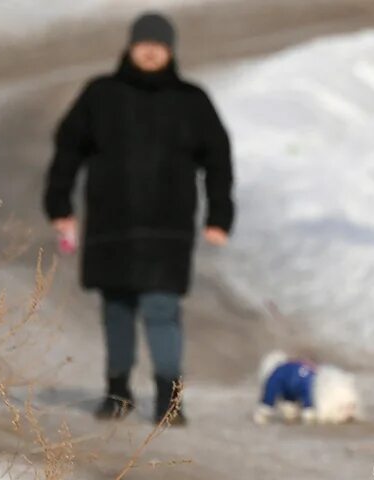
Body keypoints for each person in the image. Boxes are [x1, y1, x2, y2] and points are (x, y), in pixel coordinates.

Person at [43, 12, 233, 426]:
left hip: (169, 228)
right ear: (130, 46)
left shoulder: (192, 100)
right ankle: (117, 392)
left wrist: (220, 213)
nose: (150, 50)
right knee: (117, 309)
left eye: (158, 44)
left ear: (170, 50)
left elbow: (218, 158)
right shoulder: (101, 95)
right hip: (113, 225)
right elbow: (68, 150)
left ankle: (169, 398)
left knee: (162, 308)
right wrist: (59, 204)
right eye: (143, 43)